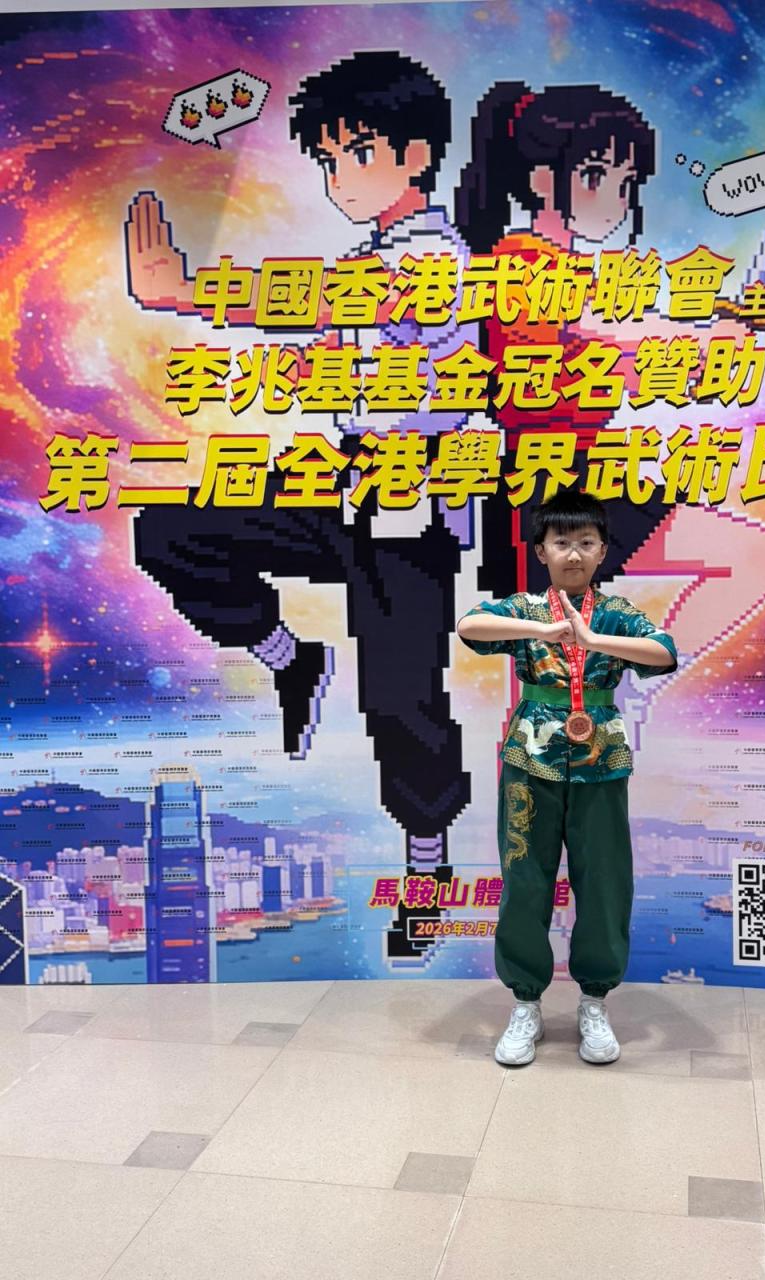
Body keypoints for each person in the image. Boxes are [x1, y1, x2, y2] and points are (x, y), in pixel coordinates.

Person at [124, 51, 479, 964]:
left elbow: (337, 304)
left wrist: (192, 294)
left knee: (400, 702)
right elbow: (331, 328)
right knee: (173, 530)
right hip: (341, 478)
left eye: (357, 154)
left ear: (414, 156)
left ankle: (428, 872)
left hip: (413, 498)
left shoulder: (438, 255)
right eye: (328, 160)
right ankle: (291, 657)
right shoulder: (368, 258)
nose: (338, 178)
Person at [454, 81, 765, 715]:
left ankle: (628, 685)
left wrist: (717, 332)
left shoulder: (577, 270)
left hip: (594, 479)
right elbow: (608, 346)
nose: (614, 195)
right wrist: (704, 337)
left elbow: (634, 341)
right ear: (542, 179)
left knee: (752, 555)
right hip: (543, 487)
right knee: (546, 688)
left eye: (626, 180)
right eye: (596, 174)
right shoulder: (519, 260)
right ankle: (607, 699)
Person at [456, 487, 678, 1066]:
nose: (573, 553)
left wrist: (593, 640)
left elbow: (664, 651)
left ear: (602, 550)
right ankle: (525, 1002)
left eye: (585, 542)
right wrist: (542, 633)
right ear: (542, 550)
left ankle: (595, 1002)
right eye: (561, 542)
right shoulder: (526, 608)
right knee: (525, 878)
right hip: (529, 760)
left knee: (603, 882)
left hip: (601, 760)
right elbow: (468, 626)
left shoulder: (617, 613)